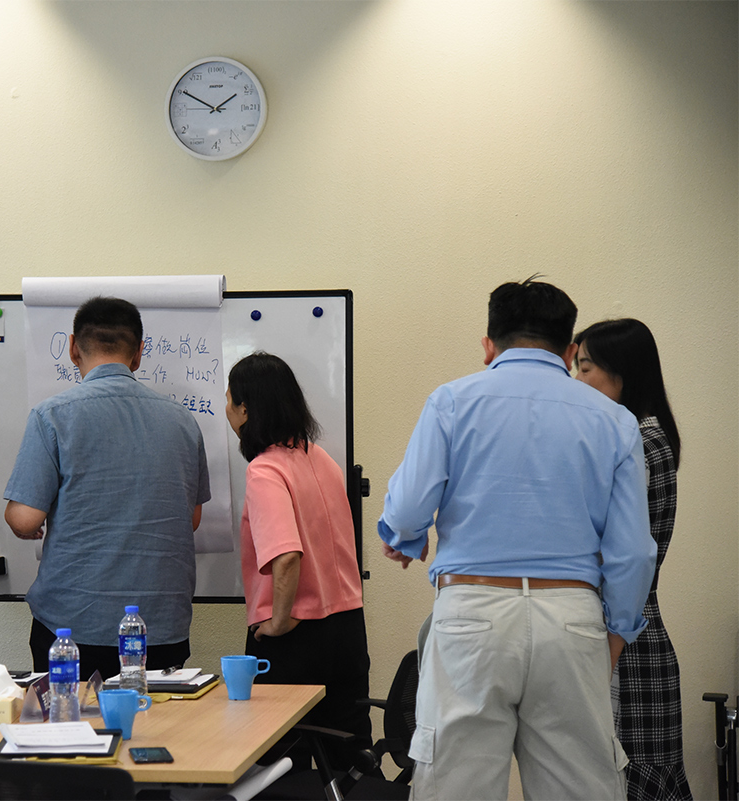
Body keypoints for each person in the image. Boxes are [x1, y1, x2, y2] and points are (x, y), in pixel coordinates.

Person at [378, 278, 656, 800]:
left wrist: (405, 537)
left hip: (471, 612)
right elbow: (634, 552)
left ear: (488, 345)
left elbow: (410, 506)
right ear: (569, 351)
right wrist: (616, 634)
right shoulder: (616, 422)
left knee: (455, 787)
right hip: (571, 618)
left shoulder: (450, 402)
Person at [3, 296, 211, 680]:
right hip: (161, 626)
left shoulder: (52, 415)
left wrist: (22, 517)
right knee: (155, 717)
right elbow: (192, 518)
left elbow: (25, 518)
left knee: (72, 717)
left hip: (73, 625)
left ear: (72, 348)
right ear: (138, 353)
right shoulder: (183, 421)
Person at [225, 352, 372, 756]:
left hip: (296, 636)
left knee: (280, 759)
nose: (227, 410)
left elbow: (287, 555)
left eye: (229, 400)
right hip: (346, 629)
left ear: (245, 409)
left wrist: (278, 621)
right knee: (347, 753)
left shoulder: (265, 470)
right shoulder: (320, 458)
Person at [574, 318, 692, 801]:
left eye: (585, 369)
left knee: (627, 781)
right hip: (634, 635)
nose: (576, 381)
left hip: (627, 643)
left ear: (622, 374)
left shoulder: (638, 441)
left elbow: (627, 555)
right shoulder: (646, 434)